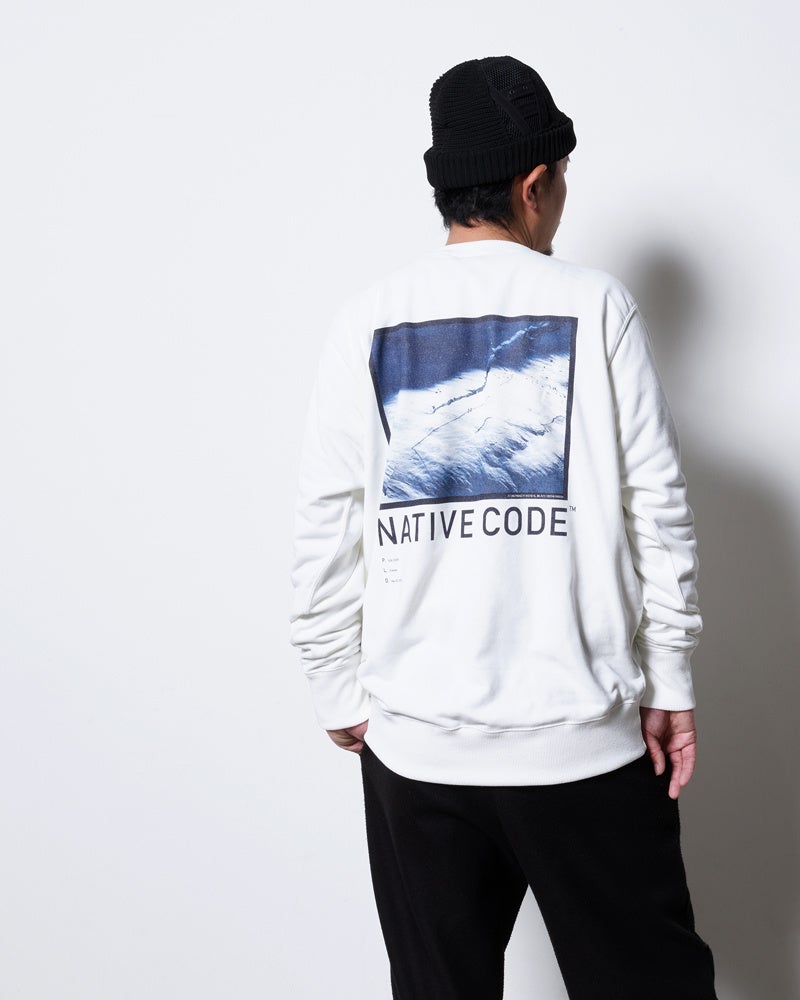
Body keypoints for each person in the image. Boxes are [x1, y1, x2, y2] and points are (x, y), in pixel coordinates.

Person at [290, 55, 717, 1000]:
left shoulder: (365, 318)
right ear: (535, 185)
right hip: (584, 743)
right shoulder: (597, 304)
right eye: (560, 180)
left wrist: (334, 685)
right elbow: (657, 505)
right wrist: (670, 676)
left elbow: (327, 519)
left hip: (416, 751)